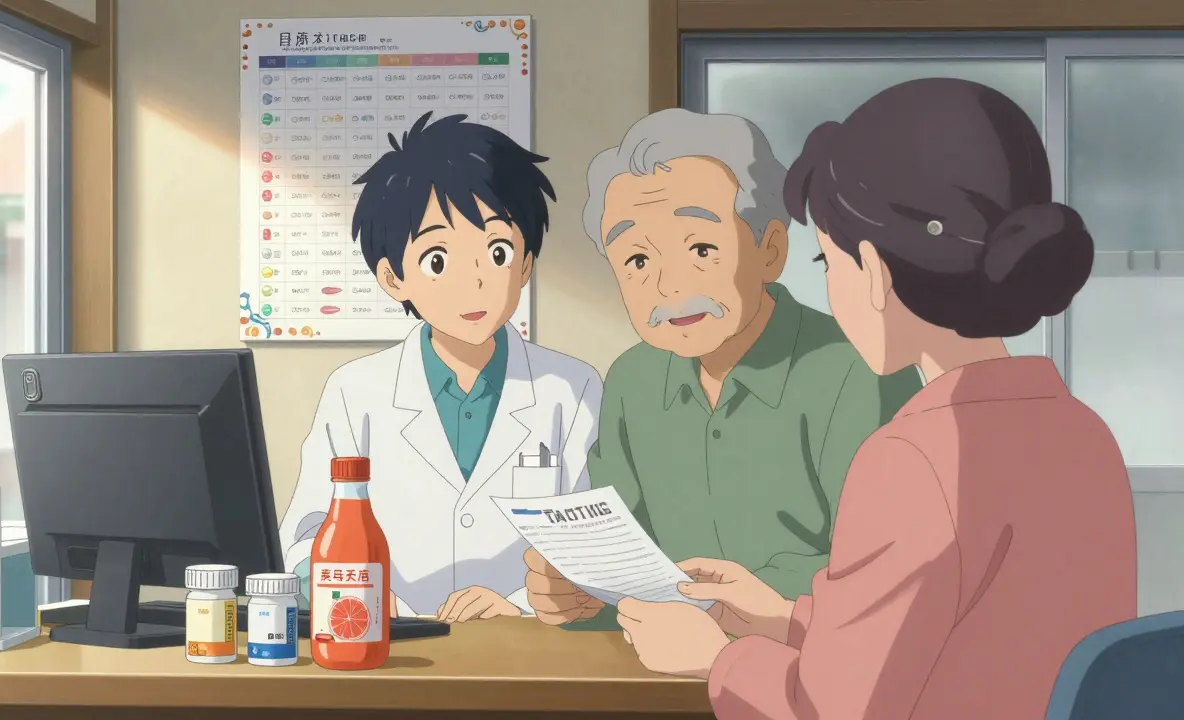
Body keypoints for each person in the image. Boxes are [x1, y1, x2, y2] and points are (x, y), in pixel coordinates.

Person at [613, 78, 1138, 720]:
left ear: (874, 272)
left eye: (827, 265)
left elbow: (829, 711)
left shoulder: (912, 458)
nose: (830, 289)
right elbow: (963, 637)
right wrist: (786, 618)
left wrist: (713, 656)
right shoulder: (1083, 434)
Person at [524, 109, 922, 629]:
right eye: (637, 261)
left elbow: (888, 571)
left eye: (702, 248)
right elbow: (626, 557)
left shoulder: (862, 368)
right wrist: (582, 593)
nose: (667, 286)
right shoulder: (632, 380)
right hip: (659, 677)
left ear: (771, 250)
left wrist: (724, 608)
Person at [280, 112, 602, 622]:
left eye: (497, 252)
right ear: (393, 278)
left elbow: (593, 540)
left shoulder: (572, 387)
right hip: (390, 645)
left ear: (525, 263)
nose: (474, 284)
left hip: (529, 653)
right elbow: (305, 537)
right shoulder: (354, 392)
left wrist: (521, 606)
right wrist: (365, 596)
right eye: (437, 260)